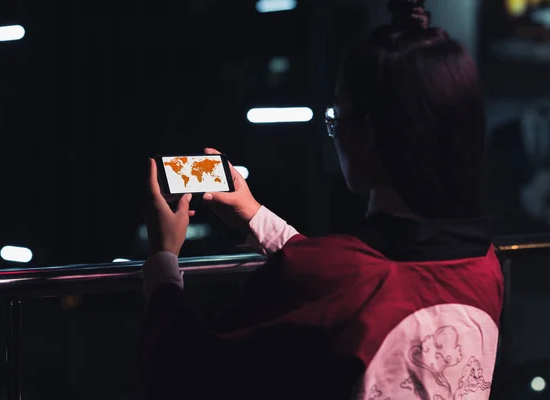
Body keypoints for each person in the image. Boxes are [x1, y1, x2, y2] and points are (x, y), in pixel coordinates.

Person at [140, 1, 504, 399]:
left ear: (368, 134)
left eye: (336, 115)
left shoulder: (343, 275)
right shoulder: (486, 264)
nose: (333, 132)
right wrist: (254, 215)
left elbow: (184, 371)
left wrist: (163, 261)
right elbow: (358, 288)